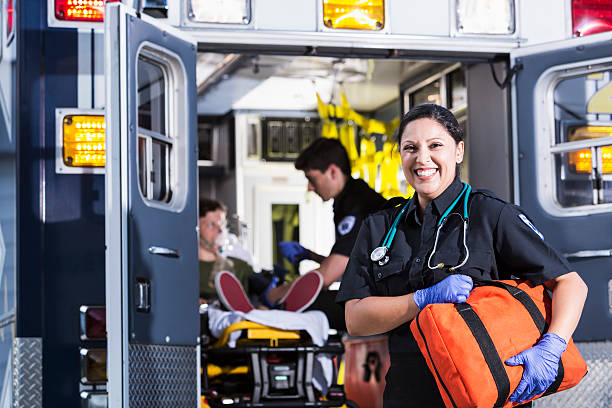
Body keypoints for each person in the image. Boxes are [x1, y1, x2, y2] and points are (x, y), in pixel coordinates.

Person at [336, 104, 588, 408]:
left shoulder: (490, 215)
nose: (422, 158)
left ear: (458, 151)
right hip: (408, 394)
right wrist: (420, 300)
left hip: (486, 390)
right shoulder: (380, 227)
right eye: (410, 148)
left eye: (435, 145)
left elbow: (570, 283)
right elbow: (356, 319)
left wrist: (552, 346)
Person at [276, 138, 387, 329]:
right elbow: (351, 262)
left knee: (300, 307)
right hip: (376, 296)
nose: (310, 187)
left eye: (311, 179)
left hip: (383, 302)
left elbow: (326, 277)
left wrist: (274, 296)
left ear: (333, 171)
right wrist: (310, 255)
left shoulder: (357, 205)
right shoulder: (346, 200)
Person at [199, 197, 322, 312]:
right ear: (196, 229)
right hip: (204, 322)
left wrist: (288, 288)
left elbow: (266, 292)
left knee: (263, 307)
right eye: (211, 225)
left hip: (241, 324)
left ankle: (291, 292)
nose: (220, 230)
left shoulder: (240, 266)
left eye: (222, 224)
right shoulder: (188, 269)